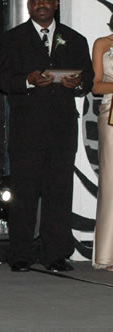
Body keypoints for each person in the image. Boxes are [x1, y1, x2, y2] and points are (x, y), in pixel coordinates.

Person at [0, 0, 93, 272]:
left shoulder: (75, 39)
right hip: (27, 127)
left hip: (62, 128)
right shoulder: (12, 39)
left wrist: (79, 84)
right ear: (28, 5)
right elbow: (2, 79)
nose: (41, 4)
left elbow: (87, 77)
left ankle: (55, 253)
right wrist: (27, 80)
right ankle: (21, 254)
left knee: (59, 191)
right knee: (24, 192)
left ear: (56, 4)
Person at [91, 21, 113, 271]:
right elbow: (96, 85)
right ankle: (108, 254)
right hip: (110, 115)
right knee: (111, 182)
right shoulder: (102, 44)